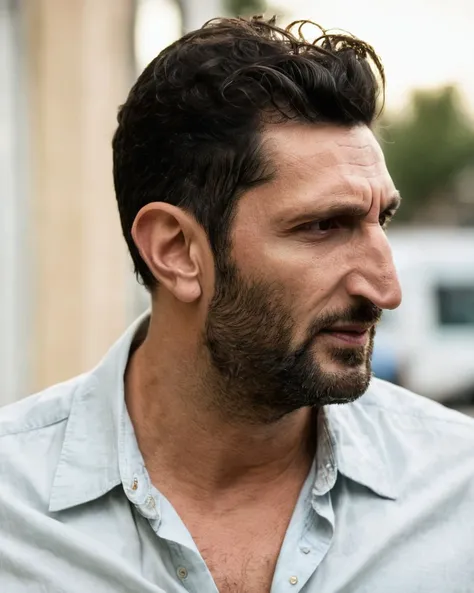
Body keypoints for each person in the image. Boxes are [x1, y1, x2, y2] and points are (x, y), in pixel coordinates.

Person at [1, 16, 473, 593]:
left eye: (381, 220)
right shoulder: (13, 508)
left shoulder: (458, 488)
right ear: (177, 252)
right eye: (324, 226)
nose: (385, 289)